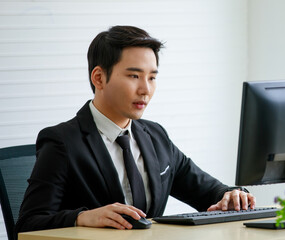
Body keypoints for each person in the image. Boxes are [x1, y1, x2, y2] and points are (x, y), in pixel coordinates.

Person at [15, 25, 255, 235]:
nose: (145, 89)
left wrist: (232, 195)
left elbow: (208, 192)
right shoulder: (62, 142)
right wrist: (82, 217)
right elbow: (28, 224)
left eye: (152, 78)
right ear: (99, 78)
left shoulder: (155, 136)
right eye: (134, 76)